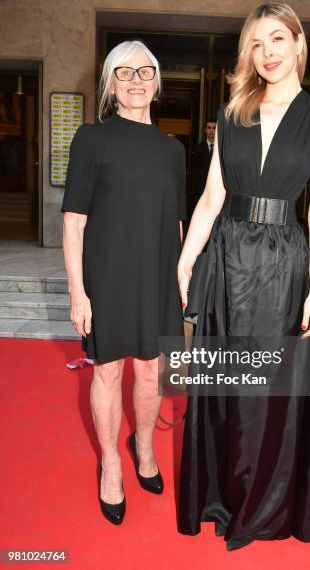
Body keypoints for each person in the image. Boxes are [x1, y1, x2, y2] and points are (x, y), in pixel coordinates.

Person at [176, 2, 310, 551]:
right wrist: (186, 260)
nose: (267, 53)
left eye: (277, 39)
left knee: (268, 392)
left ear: (298, 44)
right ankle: (224, 496)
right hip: (227, 257)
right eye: (256, 43)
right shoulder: (232, 112)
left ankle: (262, 506)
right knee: (227, 386)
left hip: (283, 265)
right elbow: (211, 197)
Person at [61, 40, 186, 525]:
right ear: (111, 84)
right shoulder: (92, 138)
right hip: (107, 274)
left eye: (145, 71)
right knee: (109, 371)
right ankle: (111, 463)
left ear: (157, 81)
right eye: (124, 72)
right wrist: (78, 291)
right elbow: (74, 220)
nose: (136, 80)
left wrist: (179, 277)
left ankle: (145, 445)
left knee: (152, 371)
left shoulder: (172, 150)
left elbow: (174, 221)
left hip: (155, 273)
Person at [191, 119, 216, 208]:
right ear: (205, 130)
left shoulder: (221, 148)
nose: (211, 130)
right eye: (209, 128)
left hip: (217, 189)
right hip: (201, 189)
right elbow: (195, 170)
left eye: (214, 128)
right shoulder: (198, 148)